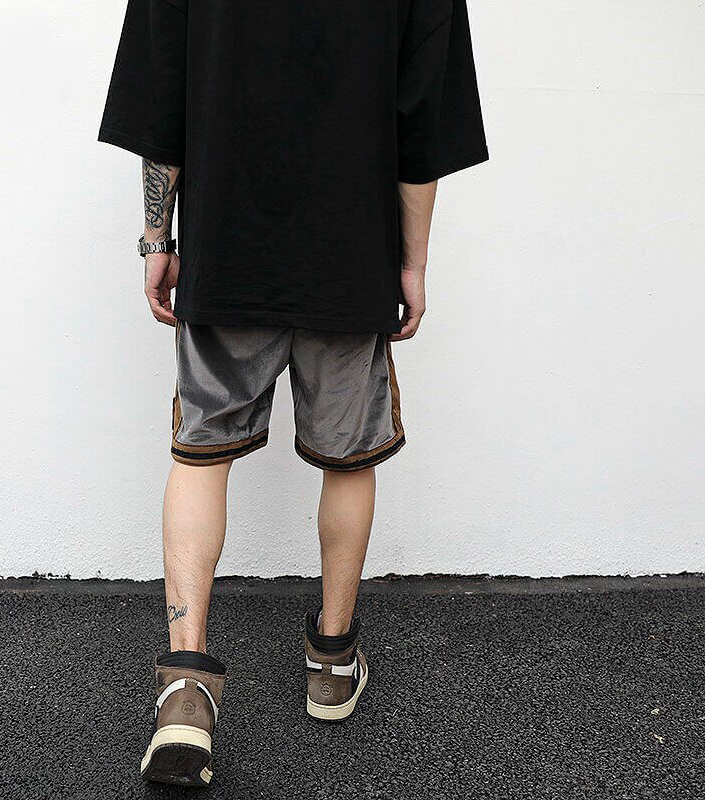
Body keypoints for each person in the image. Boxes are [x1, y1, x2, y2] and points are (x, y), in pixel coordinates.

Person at [98, 0, 487, 786]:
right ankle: (332, 664)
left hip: (227, 248)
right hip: (351, 255)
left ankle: (184, 694)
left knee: (201, 453)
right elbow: (424, 123)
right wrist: (412, 262)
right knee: (349, 457)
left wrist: (156, 238)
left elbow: (159, 95)